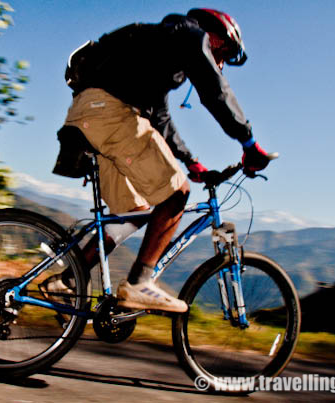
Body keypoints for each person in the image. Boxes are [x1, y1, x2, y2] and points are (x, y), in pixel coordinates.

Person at [42, 8, 272, 313]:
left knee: (134, 213)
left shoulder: (161, 47)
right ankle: (139, 283)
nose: (221, 63)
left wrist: (192, 163)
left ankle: (69, 278)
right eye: (224, 54)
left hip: (90, 113)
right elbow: (214, 89)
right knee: (177, 194)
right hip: (110, 113)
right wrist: (249, 142)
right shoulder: (190, 35)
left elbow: (160, 118)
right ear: (216, 36)